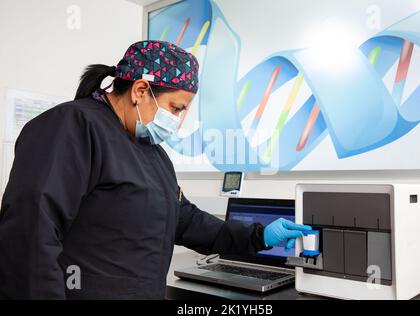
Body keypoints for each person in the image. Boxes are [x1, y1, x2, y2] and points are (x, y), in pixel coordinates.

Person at [0, 40, 311, 299]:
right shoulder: (74, 126)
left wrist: (258, 236)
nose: (180, 121)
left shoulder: (152, 152)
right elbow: (30, 232)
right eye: (176, 108)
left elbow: (183, 220)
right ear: (139, 91)